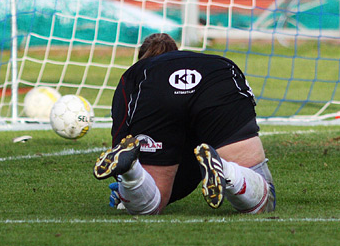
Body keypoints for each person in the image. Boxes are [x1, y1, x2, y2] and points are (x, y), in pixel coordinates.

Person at [93, 33, 275, 215]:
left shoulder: (138, 73)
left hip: (156, 91)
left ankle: (132, 171)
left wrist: (125, 185)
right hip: (218, 77)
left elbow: (122, 137)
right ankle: (227, 170)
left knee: (151, 205)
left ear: (141, 58)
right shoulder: (215, 62)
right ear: (176, 52)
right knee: (266, 197)